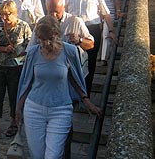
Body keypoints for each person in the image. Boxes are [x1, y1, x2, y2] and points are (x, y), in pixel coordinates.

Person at [16, 16, 101, 159]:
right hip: (34, 108)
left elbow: (75, 78)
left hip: (61, 109)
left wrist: (85, 100)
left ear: (56, 34)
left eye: (48, 38)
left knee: (53, 155)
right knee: (37, 155)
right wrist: (18, 108)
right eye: (41, 39)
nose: (44, 43)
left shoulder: (70, 51)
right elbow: (26, 81)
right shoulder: (33, 53)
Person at [65, 0, 116, 95]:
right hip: (75, 30)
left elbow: (105, 13)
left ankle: (86, 91)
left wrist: (111, 30)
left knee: (90, 61)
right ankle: (76, 92)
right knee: (73, 60)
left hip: (92, 29)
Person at [0, 0, 32, 139]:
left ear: (14, 13)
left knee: (14, 96)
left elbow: (30, 46)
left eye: (7, 15)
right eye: (2, 15)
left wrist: (22, 55)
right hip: (0, 66)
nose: (4, 18)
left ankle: (14, 122)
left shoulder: (24, 27)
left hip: (16, 67)